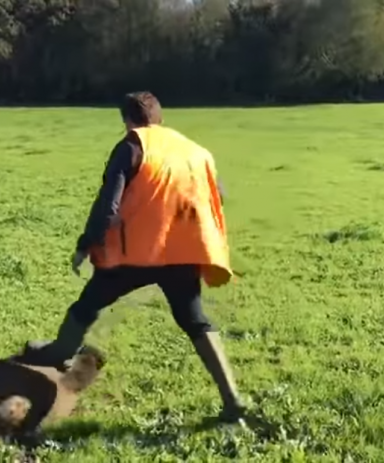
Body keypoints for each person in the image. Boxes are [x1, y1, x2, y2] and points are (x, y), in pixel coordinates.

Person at [18, 91, 247, 423]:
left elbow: (108, 205)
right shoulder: (194, 150)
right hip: (180, 253)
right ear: (160, 117)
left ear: (127, 120)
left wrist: (86, 244)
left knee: (87, 305)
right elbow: (217, 196)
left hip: (133, 255)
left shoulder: (131, 147)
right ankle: (232, 399)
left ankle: (59, 352)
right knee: (195, 320)